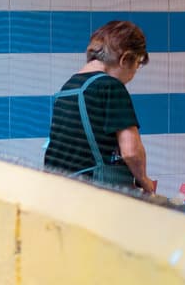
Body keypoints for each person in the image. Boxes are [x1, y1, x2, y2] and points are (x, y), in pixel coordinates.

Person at [44, 20, 157, 194]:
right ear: (125, 59)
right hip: (94, 193)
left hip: (59, 191)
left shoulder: (68, 88)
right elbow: (131, 151)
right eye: (136, 65)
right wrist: (144, 180)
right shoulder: (111, 86)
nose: (134, 73)